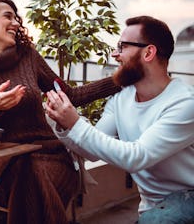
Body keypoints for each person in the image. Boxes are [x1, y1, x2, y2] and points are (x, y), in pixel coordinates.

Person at [0, 0, 122, 224]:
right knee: (25, 169)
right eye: (7, 16)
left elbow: (69, 96)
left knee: (32, 174)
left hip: (50, 156)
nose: (16, 23)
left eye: (16, 18)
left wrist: (120, 79)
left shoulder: (28, 57)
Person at [45, 15, 194, 223]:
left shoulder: (185, 103)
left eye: (122, 46)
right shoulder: (121, 98)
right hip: (155, 208)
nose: (115, 54)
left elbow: (137, 156)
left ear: (148, 52)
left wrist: (75, 123)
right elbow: (91, 151)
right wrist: (64, 123)